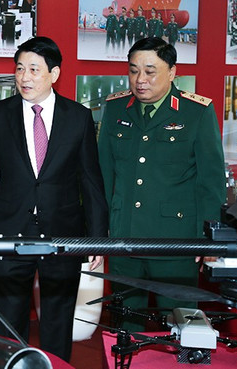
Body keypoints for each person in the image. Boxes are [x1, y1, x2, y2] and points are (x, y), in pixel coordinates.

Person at [0, 36, 108, 362]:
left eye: (34, 69)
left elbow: (91, 181)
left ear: (54, 73)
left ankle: (56, 366)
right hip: (11, 229)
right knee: (8, 315)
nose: (25, 77)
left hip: (62, 230)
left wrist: (97, 238)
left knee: (58, 316)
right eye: (20, 69)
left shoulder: (78, 116)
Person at [97, 37, 226, 331]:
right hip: (124, 237)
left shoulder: (196, 111)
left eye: (150, 71)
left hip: (176, 241)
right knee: (126, 327)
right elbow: (104, 174)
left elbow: (210, 181)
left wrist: (210, 238)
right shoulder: (116, 108)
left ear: (172, 72)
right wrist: (99, 230)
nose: (140, 80)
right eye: (133, 71)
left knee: (183, 326)